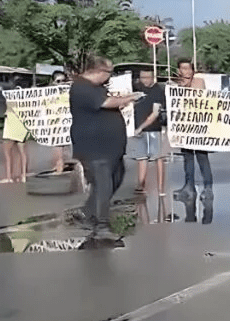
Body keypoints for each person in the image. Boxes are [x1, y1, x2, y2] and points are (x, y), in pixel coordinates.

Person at [70, 55, 143, 241]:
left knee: (116, 178)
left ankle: (87, 212)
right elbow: (106, 103)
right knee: (103, 185)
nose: (110, 77)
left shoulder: (96, 87)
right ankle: (102, 226)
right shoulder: (82, 87)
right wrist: (131, 97)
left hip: (110, 148)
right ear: (98, 71)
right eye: (109, 73)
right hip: (95, 147)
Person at [172, 58, 213, 201]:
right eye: (183, 69)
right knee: (187, 158)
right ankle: (189, 187)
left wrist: (185, 85)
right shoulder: (175, 84)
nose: (186, 71)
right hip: (184, 126)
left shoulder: (198, 81)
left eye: (188, 69)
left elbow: (197, 95)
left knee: (202, 158)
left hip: (198, 126)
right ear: (179, 70)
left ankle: (208, 188)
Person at [130, 67, 168, 196]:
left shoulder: (158, 90)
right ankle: (141, 186)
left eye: (147, 77)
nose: (144, 81)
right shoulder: (137, 89)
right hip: (137, 129)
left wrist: (141, 127)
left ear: (153, 77)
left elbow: (155, 113)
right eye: (142, 77)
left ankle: (161, 189)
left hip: (152, 129)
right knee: (141, 158)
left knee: (158, 158)